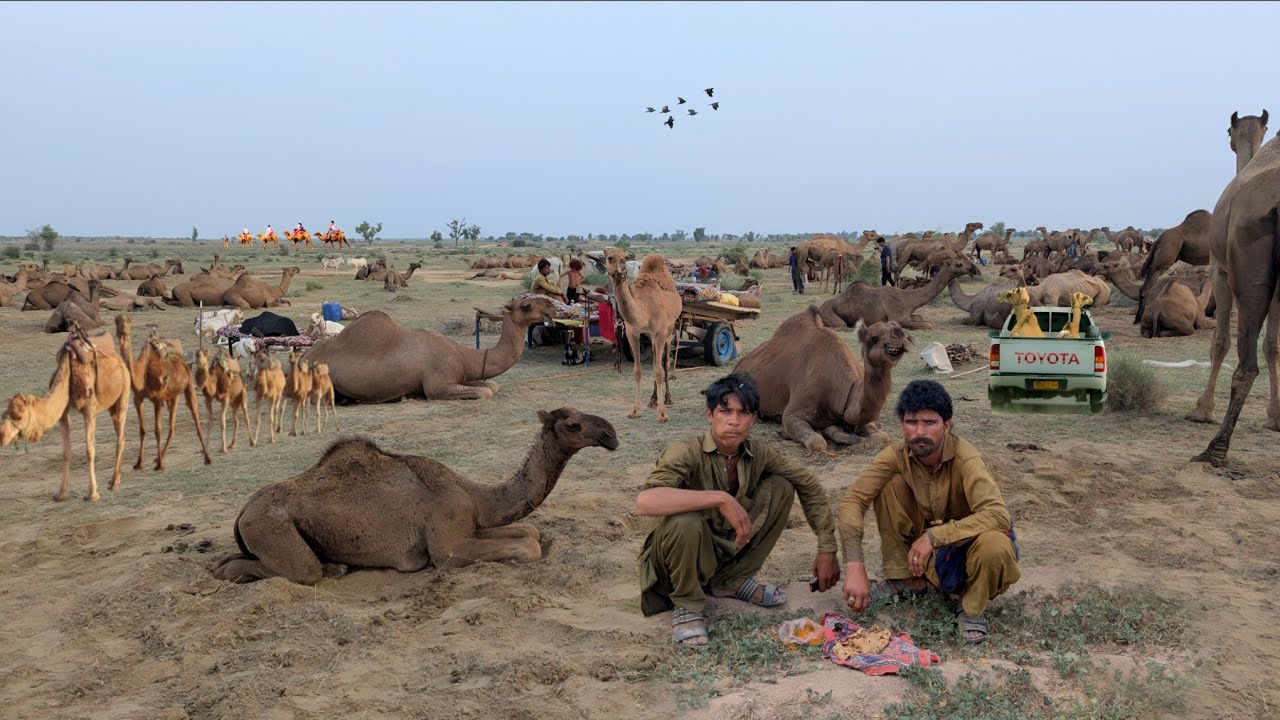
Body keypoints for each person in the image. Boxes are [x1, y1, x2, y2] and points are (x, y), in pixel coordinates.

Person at [636, 374, 840, 648]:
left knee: (782, 486)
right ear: (710, 415)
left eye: (743, 413)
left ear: (753, 419)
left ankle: (730, 581)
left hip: (720, 554)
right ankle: (686, 603)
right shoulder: (684, 452)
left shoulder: (758, 452)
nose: (734, 421)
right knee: (685, 521)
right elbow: (646, 501)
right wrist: (720, 499)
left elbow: (807, 482)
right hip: (672, 563)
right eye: (725, 411)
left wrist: (827, 546)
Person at [838, 380, 1020, 645]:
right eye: (911, 422)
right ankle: (908, 578)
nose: (919, 432)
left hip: (970, 550)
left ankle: (971, 606)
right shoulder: (896, 455)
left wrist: (935, 536)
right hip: (931, 554)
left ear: (947, 426)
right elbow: (853, 500)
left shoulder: (966, 458)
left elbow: (998, 515)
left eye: (929, 422)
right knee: (889, 483)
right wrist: (855, 566)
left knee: (995, 544)